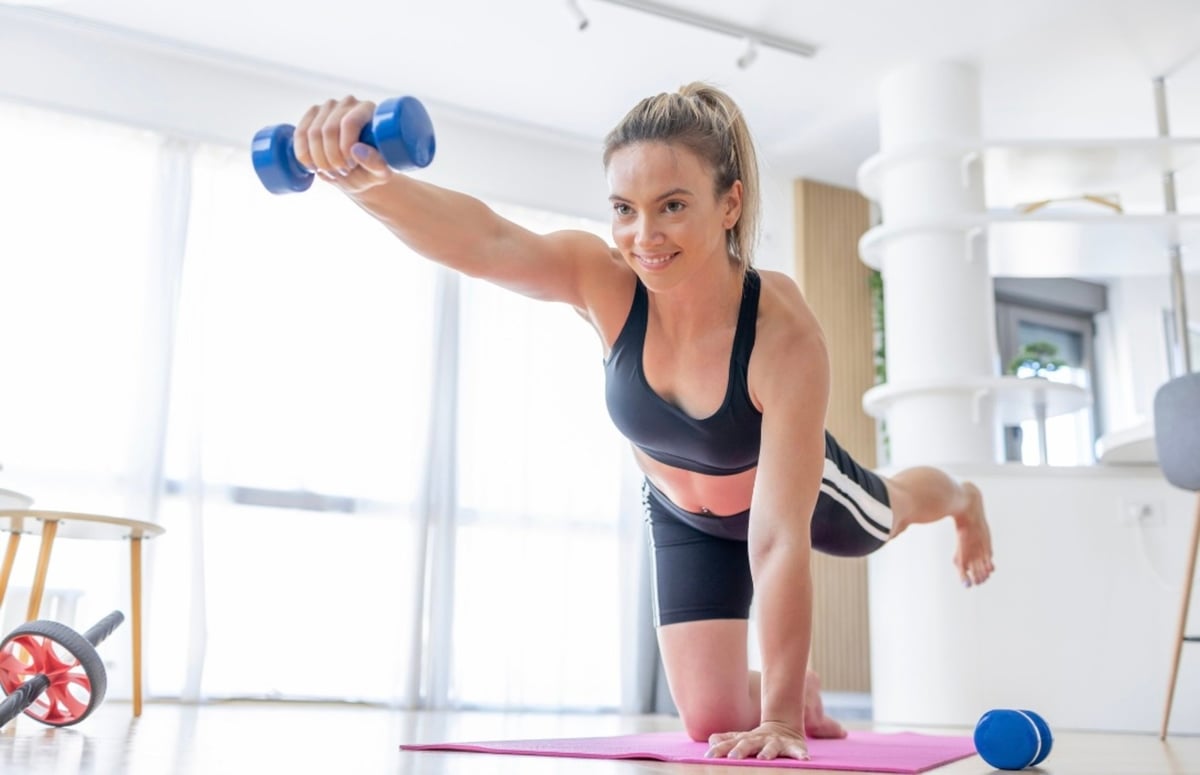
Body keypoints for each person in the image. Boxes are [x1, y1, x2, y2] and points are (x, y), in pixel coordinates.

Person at [290, 82, 994, 762]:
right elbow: (486, 239)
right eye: (624, 207)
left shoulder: (780, 330)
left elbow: (780, 540)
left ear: (730, 204)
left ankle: (961, 499)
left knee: (888, 511)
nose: (643, 234)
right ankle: (800, 690)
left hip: (784, 499)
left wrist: (780, 722)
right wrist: (365, 181)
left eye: (673, 205)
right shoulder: (603, 283)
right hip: (682, 516)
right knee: (708, 721)